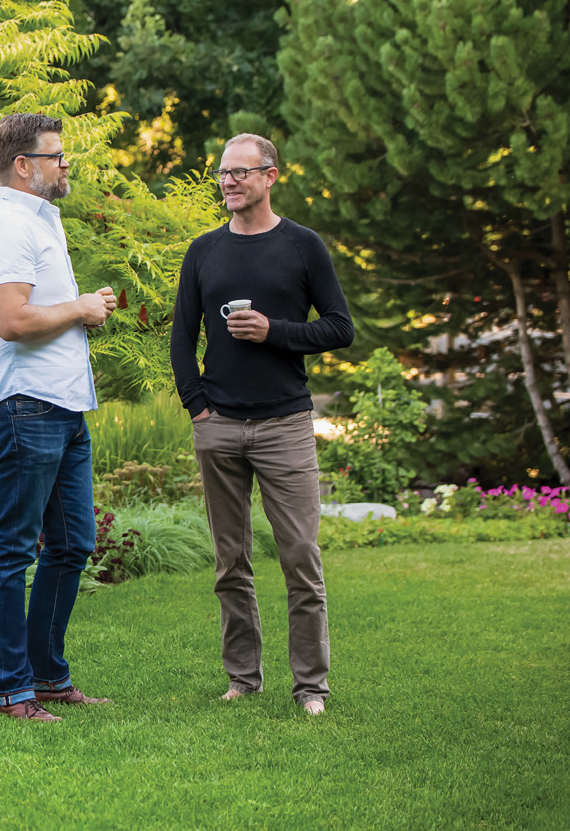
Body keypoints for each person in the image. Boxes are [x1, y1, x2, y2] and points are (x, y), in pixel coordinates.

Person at [169, 133, 353, 716]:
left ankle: (311, 688)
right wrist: (198, 406)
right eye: (223, 172)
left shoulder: (303, 246)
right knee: (231, 562)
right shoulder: (202, 251)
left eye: (240, 172)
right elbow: (181, 339)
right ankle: (243, 678)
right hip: (218, 424)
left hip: (286, 426)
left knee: (300, 556)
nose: (228, 181)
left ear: (271, 176)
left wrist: (275, 331)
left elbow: (339, 328)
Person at [0, 113, 117, 722]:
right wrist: (79, 307)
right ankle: (12, 690)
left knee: (73, 542)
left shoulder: (40, 221)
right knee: (14, 550)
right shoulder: (5, 227)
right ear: (23, 165)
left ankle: (48, 678)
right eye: (55, 155)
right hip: (22, 406)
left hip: (61, 404)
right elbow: (12, 321)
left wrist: (78, 309)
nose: (64, 163)